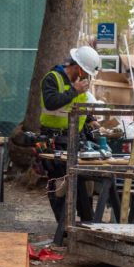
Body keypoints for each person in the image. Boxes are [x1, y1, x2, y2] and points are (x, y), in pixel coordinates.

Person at [38, 46, 102, 224]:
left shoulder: (79, 86)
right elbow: (51, 103)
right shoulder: (52, 79)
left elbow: (78, 105)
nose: (85, 77)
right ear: (77, 67)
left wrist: (90, 119)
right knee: (59, 185)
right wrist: (74, 90)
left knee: (83, 183)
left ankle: (86, 223)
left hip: (75, 140)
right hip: (55, 140)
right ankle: (64, 227)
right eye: (85, 72)